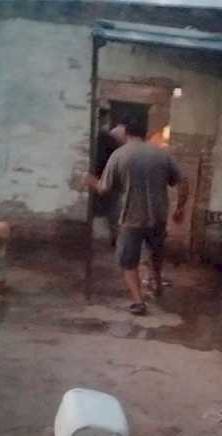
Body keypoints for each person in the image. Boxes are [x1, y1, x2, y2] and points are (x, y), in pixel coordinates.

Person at [84, 120, 187, 315]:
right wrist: (179, 208)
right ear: (145, 133)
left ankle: (139, 302)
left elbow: (104, 188)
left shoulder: (119, 155)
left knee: (128, 261)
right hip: (158, 216)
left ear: (126, 134)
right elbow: (183, 180)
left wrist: (91, 181)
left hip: (131, 217)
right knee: (155, 253)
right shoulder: (161, 154)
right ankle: (156, 284)